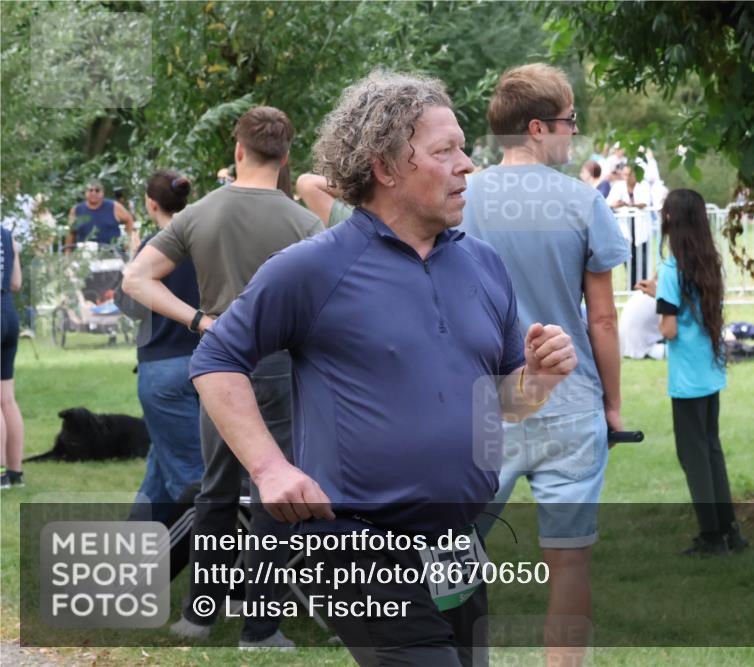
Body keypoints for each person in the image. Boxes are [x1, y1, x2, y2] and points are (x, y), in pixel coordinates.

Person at [188, 70, 578, 666]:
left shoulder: (484, 265)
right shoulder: (313, 267)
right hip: (359, 547)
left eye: (463, 147)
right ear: (386, 166)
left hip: (457, 544)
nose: (467, 164)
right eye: (444, 150)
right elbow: (216, 358)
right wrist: (268, 469)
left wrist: (537, 382)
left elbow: (499, 405)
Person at [122, 106, 325, 650]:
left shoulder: (199, 215)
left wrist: (199, 320)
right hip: (278, 369)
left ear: (238, 151)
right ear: (285, 158)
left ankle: (198, 616)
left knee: (215, 490)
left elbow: (136, 280)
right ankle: (260, 629)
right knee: (272, 491)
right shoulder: (305, 223)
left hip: (216, 366)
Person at [460, 62, 629, 665]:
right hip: (570, 400)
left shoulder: (459, 197)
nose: (573, 134)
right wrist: (612, 407)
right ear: (537, 127)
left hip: (485, 404)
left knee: (452, 554)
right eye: (569, 122)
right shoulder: (584, 202)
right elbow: (603, 321)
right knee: (568, 561)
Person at [654, 189, 745, 556]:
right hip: (709, 372)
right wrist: (657, 296)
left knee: (693, 457)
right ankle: (730, 531)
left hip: (687, 379)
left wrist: (659, 311)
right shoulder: (710, 262)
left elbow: (669, 329)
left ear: (672, 221)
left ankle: (710, 538)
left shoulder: (670, 268)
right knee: (711, 451)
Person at [118, 171, 204, 522]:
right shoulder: (204, 242)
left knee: (190, 478)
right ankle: (129, 560)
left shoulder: (154, 246)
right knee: (161, 469)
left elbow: (132, 307)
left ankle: (221, 566)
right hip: (205, 364)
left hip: (162, 372)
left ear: (151, 203)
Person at [0, 226, 24, 490]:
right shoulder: (6, 235)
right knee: (6, 399)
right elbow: (16, 283)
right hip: (8, 312)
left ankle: (0, 476)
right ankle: (15, 472)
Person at [64, 180, 135, 251]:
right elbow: (71, 233)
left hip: (111, 254)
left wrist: (127, 240)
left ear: (103, 192)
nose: (93, 193)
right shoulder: (76, 210)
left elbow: (129, 220)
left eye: (97, 191)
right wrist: (67, 252)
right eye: (90, 190)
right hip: (85, 255)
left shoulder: (114, 207)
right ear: (85, 192)